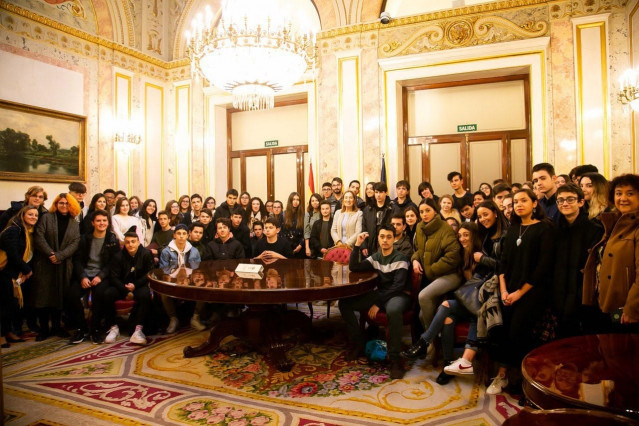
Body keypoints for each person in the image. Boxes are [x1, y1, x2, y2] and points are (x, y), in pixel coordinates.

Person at [402, 223, 486, 385]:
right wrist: (415, 260)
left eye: (466, 235)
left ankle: (424, 342)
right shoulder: (459, 254)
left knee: (446, 305)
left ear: (474, 236)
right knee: (446, 315)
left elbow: (479, 286)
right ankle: (447, 365)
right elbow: (425, 254)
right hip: (464, 303)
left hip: (478, 306)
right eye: (460, 235)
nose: (462, 238)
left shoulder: (480, 255)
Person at [491, 188, 555, 395]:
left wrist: (519, 293)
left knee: (518, 331)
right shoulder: (513, 229)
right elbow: (504, 263)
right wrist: (503, 291)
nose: (518, 205)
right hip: (508, 290)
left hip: (532, 291)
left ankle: (519, 379)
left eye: (523, 200)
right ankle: (502, 376)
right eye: (515, 201)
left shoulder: (544, 229)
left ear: (535, 203)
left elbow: (543, 267)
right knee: (502, 329)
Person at [338, 227, 411, 379]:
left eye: (388, 237)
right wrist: (357, 245)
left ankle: (395, 359)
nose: (385, 240)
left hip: (399, 295)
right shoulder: (376, 257)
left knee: (393, 310)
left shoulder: (401, 258)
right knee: (344, 303)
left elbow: (398, 286)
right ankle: (359, 343)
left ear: (393, 239)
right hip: (383, 294)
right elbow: (354, 267)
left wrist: (378, 303)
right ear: (378, 238)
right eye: (382, 236)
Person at [583, 174, 639, 332]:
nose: (623, 198)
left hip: (626, 309)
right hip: (607, 303)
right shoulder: (614, 223)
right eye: (619, 193)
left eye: (630, 193)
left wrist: (632, 308)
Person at [552, 184, 603, 337]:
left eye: (570, 199)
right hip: (559, 289)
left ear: (581, 202)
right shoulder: (554, 229)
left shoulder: (594, 228)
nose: (565, 203)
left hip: (583, 290)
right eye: (560, 200)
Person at [31, 193, 81, 341]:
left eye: (67, 203)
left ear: (71, 205)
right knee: (43, 296)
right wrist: (50, 254)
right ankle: (44, 329)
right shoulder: (46, 217)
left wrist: (60, 256)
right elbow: (38, 236)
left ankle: (57, 327)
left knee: (59, 296)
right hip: (45, 264)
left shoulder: (74, 223)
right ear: (56, 204)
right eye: (61, 203)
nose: (64, 206)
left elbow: (75, 243)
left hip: (63, 265)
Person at [67, 209, 120, 344]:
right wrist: (82, 277)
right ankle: (82, 329)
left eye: (104, 220)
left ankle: (95, 329)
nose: (101, 223)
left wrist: (100, 276)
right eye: (98, 221)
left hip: (101, 275)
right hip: (85, 274)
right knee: (72, 294)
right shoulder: (84, 238)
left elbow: (113, 263)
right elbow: (77, 260)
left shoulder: (112, 239)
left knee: (99, 294)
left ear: (108, 223)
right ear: (92, 223)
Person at [412, 199, 462, 332]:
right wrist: (415, 260)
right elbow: (420, 250)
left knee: (423, 296)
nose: (424, 214)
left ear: (435, 210)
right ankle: (433, 341)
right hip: (433, 276)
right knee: (422, 315)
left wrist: (432, 268)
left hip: (450, 274)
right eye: (421, 211)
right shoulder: (420, 227)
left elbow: (453, 255)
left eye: (428, 210)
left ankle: (428, 340)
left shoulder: (445, 228)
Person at [105, 226, 155, 345]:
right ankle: (113, 327)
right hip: (122, 286)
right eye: (127, 242)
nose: (130, 244)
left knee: (145, 295)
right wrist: (125, 291)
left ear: (138, 242)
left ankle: (138, 330)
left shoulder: (146, 254)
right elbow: (113, 277)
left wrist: (135, 286)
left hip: (138, 285)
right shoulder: (118, 256)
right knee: (107, 294)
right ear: (124, 243)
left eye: (133, 242)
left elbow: (149, 273)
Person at [0, 205, 38, 348]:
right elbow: (13, 254)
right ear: (22, 215)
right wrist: (27, 270)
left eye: (35, 215)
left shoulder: (25, 231)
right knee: (4, 305)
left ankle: (8, 332)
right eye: (30, 214)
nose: (33, 217)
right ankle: (2, 335)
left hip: (13, 273)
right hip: (5, 272)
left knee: (11, 304)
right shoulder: (14, 230)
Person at [159, 224, 202, 333]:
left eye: (184, 234)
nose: (181, 236)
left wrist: (190, 279)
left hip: (190, 280)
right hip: (173, 281)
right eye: (179, 233)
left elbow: (198, 270)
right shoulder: (166, 251)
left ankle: (195, 318)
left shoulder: (194, 251)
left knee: (203, 289)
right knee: (164, 294)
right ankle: (173, 319)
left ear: (188, 235)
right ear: (174, 235)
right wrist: (176, 278)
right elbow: (164, 271)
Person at [362, 182, 399, 256]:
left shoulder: (393, 208)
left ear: (386, 193)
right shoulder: (368, 209)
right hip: (371, 245)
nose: (378, 195)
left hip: (387, 243)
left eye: (381, 192)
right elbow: (364, 228)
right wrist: (364, 246)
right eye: (376, 192)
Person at [281, 192, 305, 257]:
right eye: (293, 199)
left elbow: (305, 233)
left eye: (298, 200)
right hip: (286, 246)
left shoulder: (303, 215)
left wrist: (300, 245)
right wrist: (286, 245)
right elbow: (281, 232)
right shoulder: (283, 214)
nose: (295, 201)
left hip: (300, 247)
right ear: (290, 201)